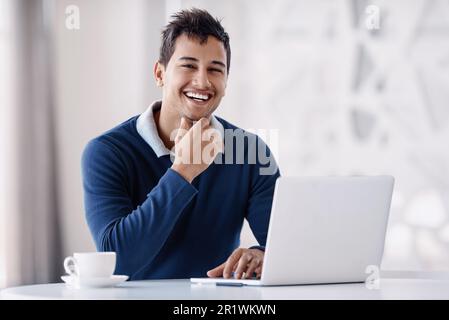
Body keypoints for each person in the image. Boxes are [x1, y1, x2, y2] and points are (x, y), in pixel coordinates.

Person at [81, 8, 280, 281]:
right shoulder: (107, 152)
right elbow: (117, 259)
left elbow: (285, 248)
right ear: (160, 73)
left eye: (215, 69)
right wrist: (183, 171)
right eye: (188, 65)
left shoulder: (251, 152)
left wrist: (261, 255)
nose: (202, 81)